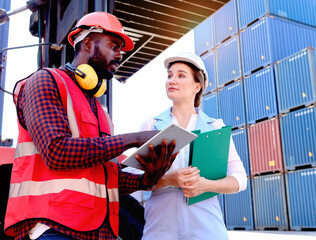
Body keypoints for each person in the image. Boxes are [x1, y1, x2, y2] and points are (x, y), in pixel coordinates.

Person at [4, 12, 177, 240]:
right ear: (87, 44)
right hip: (56, 229)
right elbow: (57, 152)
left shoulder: (101, 113)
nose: (120, 55)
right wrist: (134, 139)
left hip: (100, 232)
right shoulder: (45, 81)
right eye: (114, 46)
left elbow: (103, 180)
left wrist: (145, 179)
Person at [139, 52, 248, 240]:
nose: (172, 80)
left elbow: (240, 179)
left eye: (181, 75)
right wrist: (168, 179)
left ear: (197, 86)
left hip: (207, 230)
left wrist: (207, 185)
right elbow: (134, 178)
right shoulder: (151, 126)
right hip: (159, 230)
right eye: (170, 75)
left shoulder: (215, 128)